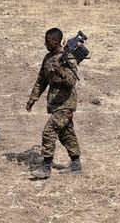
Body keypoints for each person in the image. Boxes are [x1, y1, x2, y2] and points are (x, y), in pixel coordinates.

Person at [26, 27, 82, 179]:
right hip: (55, 103)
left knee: (49, 131)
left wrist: (61, 72)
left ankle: (46, 167)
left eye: (48, 41)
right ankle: (76, 164)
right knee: (66, 134)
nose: (45, 43)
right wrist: (33, 98)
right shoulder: (48, 58)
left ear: (56, 41)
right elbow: (41, 80)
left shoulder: (68, 57)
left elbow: (72, 82)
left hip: (66, 104)